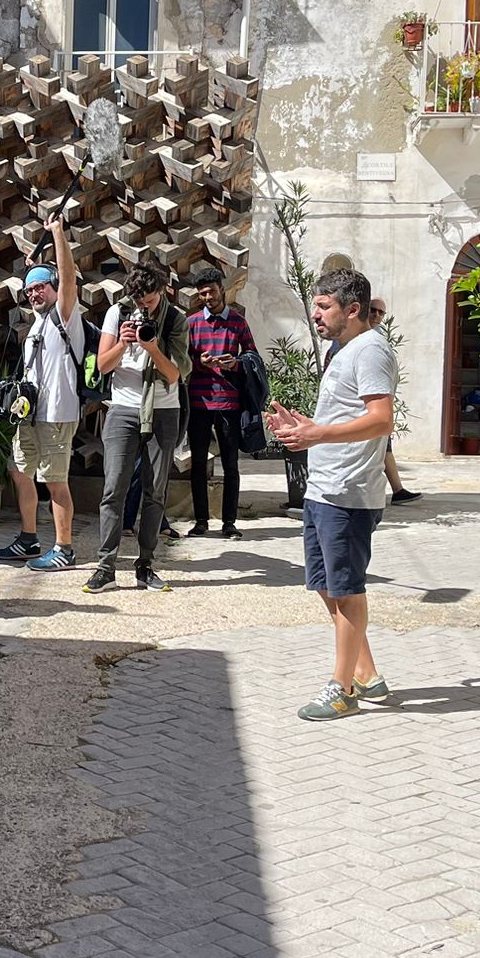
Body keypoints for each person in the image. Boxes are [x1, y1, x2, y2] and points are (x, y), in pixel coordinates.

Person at [266, 268, 397, 721]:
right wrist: (304, 427)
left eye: (324, 307)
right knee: (326, 586)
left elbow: (381, 420)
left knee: (347, 591)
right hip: (323, 488)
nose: (316, 315)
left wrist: (318, 434)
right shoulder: (343, 349)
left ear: (352, 309)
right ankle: (367, 673)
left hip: (349, 492)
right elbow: (342, 416)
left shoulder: (371, 350)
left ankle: (342, 690)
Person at [84, 260, 189, 595]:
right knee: (113, 488)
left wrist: (152, 348)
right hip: (123, 409)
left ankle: (145, 565)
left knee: (155, 491)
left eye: (150, 301)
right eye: (139, 301)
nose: (145, 307)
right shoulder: (117, 313)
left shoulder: (175, 320)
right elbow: (103, 365)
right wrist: (123, 343)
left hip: (164, 410)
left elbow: (175, 375)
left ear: (162, 291)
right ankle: (105, 567)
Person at [0, 221, 84, 571]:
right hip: (29, 414)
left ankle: (64, 548)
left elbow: (68, 276)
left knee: (55, 481)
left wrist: (57, 234)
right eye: (29, 290)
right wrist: (33, 267)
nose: (34, 294)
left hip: (57, 413)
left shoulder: (65, 315)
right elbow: (39, 283)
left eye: (41, 287)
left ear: (54, 288)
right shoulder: (38, 323)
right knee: (19, 471)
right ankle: (28, 538)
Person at [186, 264, 257, 538]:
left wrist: (235, 363)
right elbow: (182, 361)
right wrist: (199, 363)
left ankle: (229, 522)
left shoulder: (238, 322)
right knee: (198, 465)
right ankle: (201, 521)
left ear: (222, 290)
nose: (208, 297)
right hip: (199, 403)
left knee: (231, 465)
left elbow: (252, 356)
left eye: (211, 292)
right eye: (202, 293)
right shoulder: (191, 324)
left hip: (229, 403)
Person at [370, 297, 422, 503]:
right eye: (373, 310)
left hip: (378, 401)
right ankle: (397, 490)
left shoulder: (379, 337)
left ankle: (398, 490)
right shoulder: (358, 336)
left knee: (385, 447)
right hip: (366, 403)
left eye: (380, 312)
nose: (376, 315)